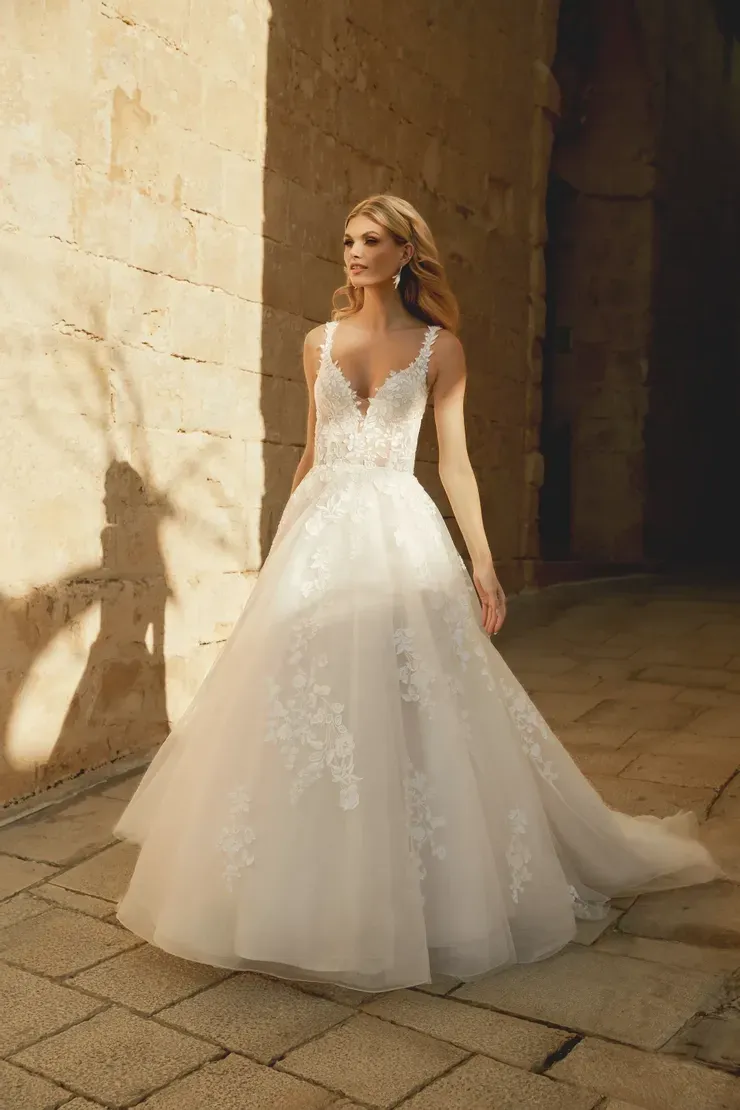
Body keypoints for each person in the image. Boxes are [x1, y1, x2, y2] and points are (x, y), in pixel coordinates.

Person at [114, 194, 722, 992]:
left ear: (407, 253)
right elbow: (309, 454)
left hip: (398, 528)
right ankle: (289, 880)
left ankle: (416, 885)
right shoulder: (316, 343)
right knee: (304, 702)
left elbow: (455, 463)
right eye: (347, 239)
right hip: (320, 530)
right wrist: (279, 552)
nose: (353, 253)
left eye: (371, 240)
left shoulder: (442, 350)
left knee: (409, 696)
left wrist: (483, 562)